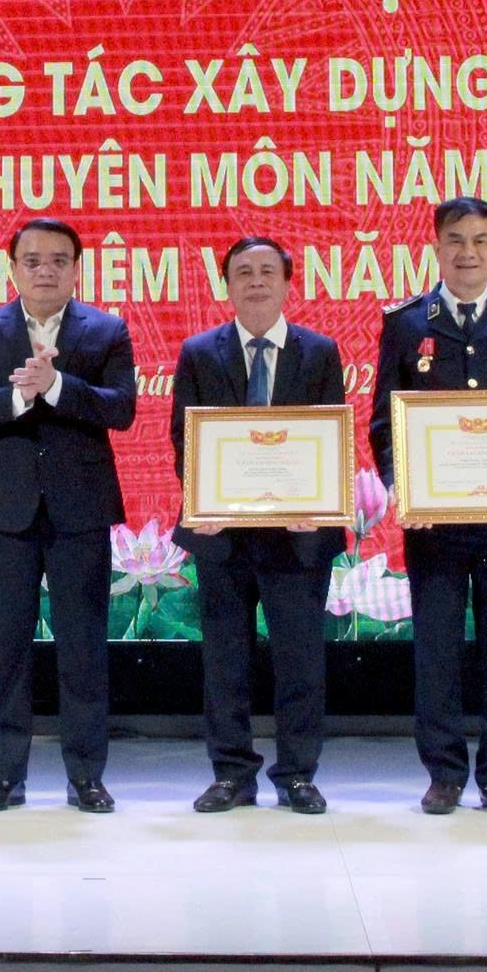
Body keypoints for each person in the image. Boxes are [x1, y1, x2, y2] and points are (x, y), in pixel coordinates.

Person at [369, 196, 487, 816]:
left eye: (479, 241)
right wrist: (399, 485)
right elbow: (384, 422)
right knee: (437, 650)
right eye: (455, 240)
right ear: (436, 247)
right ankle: (444, 773)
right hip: (434, 522)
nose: (467, 253)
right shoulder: (406, 324)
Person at [0, 217, 137, 814]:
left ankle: (87, 777)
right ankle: (5, 775)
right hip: (7, 512)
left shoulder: (106, 330)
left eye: (58, 260)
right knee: (6, 649)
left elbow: (122, 409)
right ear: (13, 269)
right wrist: (17, 397)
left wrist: (57, 387)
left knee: (84, 649)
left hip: (81, 510)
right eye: (32, 260)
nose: (45, 270)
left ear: (76, 269)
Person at [171, 236, 344, 815]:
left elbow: (331, 437)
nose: (256, 282)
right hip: (222, 536)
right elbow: (184, 438)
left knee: (301, 661)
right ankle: (231, 774)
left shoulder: (319, 352)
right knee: (225, 661)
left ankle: (297, 775)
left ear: (288, 284)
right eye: (243, 272)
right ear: (227, 285)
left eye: (268, 271)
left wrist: (318, 502)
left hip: (298, 538)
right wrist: (203, 499)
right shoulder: (199, 352)